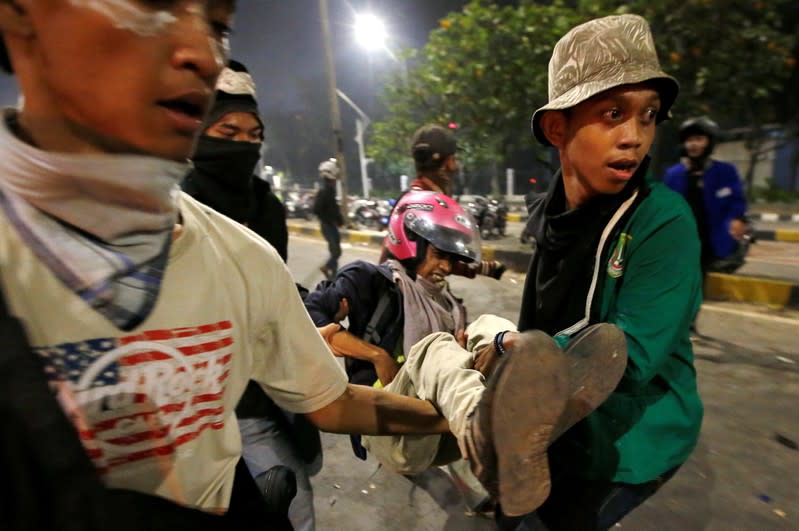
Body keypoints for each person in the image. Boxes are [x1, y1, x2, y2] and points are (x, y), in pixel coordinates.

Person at [0, 2, 472, 527]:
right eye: (151, 6)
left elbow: (332, 402)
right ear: (23, 16)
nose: (203, 53)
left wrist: (463, 416)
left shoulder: (244, 257)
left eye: (219, 26)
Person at [306, 190, 629, 517]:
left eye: (450, 256)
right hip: (389, 424)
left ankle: (537, 398)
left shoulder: (446, 306)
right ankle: (489, 430)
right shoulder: (370, 280)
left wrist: (494, 347)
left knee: (489, 328)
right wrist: (377, 355)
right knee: (436, 346)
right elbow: (311, 316)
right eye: (437, 254)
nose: (445, 266)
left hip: (437, 423)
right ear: (411, 242)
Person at [510, 14, 704, 530]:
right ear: (558, 127)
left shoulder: (662, 220)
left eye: (648, 116)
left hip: (629, 441)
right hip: (564, 424)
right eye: (613, 112)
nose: (634, 138)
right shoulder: (553, 213)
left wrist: (512, 372)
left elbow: (626, 356)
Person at [181, 59, 317, 530]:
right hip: (199, 412)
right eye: (228, 131)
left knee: (299, 503)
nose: (243, 145)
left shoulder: (267, 207)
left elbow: (276, 288)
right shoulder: (175, 206)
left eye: (252, 135)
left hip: (265, 394)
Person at [379, 123, 506, 280]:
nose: (455, 167)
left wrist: (484, 268)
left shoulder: (412, 199)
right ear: (448, 162)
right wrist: (481, 268)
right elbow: (429, 263)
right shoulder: (426, 206)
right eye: (454, 159)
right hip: (413, 296)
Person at [664, 116, 749, 273]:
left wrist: (737, 219)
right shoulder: (673, 174)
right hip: (680, 241)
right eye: (689, 140)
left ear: (709, 142)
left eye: (699, 139)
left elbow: (737, 201)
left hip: (711, 241)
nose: (694, 144)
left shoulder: (725, 171)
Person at [313, 158, 344, 279]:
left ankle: (334, 276)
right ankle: (327, 267)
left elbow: (335, 209)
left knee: (335, 250)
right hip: (327, 225)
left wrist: (339, 220)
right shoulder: (324, 192)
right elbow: (317, 209)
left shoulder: (331, 191)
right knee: (336, 251)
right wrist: (329, 218)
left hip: (331, 224)